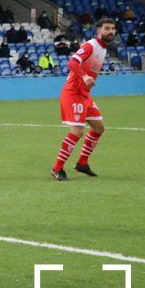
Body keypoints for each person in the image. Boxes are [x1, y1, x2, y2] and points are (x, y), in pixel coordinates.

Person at [50, 18, 116, 181]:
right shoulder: (90, 45)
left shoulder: (103, 49)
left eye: (113, 29)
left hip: (84, 95)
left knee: (99, 128)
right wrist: (85, 76)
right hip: (73, 94)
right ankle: (57, 168)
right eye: (106, 28)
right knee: (78, 131)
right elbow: (72, 62)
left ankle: (82, 163)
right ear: (98, 30)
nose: (110, 32)